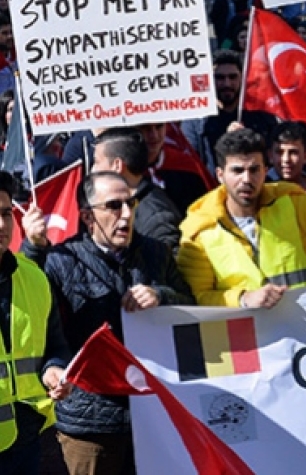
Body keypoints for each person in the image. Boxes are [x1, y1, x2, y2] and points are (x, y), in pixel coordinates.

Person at [22, 171, 193, 475]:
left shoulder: (156, 252)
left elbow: (192, 309)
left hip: (154, 416)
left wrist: (162, 296)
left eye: (131, 203)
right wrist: (34, 249)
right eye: (114, 206)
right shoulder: (60, 260)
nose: (127, 214)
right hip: (91, 427)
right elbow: (32, 314)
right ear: (88, 217)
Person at [177, 129, 306, 308]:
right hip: (245, 340)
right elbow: (197, 298)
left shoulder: (290, 204)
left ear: (265, 171)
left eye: (254, 170)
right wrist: (242, 298)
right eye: (237, 171)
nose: (246, 179)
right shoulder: (199, 230)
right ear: (220, 175)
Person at [0, 170, 73, 474]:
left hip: (29, 440)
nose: (1, 225)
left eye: (5, 213)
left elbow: (54, 345)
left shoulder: (34, 277)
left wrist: (54, 370)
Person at [181, 50, 279, 174]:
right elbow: (190, 162)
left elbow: (273, 157)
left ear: (242, 78)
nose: (227, 84)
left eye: (233, 77)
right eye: (220, 78)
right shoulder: (195, 120)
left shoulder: (262, 115)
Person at [91, 128, 183, 251]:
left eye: (97, 162)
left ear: (117, 165)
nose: (93, 170)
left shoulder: (157, 218)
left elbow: (164, 266)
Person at [266, 122, 306, 192]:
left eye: (293, 152)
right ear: (270, 156)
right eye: (279, 152)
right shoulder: (261, 190)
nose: (286, 159)